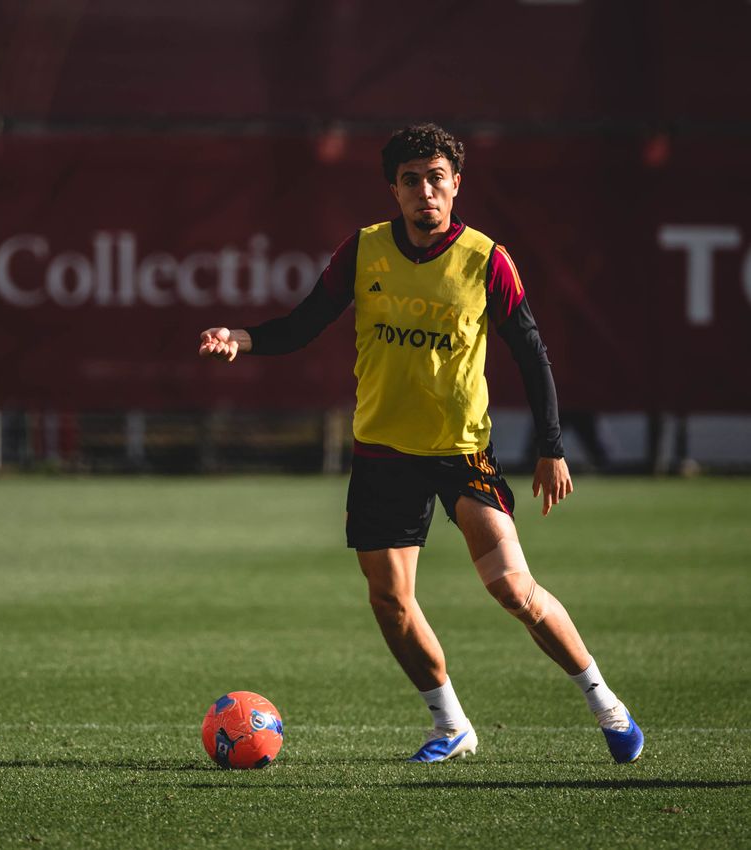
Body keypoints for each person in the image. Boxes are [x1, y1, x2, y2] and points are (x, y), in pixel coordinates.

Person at [197, 123, 643, 764]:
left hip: (463, 453)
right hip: (382, 453)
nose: (425, 191)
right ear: (394, 189)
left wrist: (552, 445)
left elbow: (530, 351)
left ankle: (606, 704)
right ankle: (451, 725)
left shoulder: (487, 259)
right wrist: (240, 337)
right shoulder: (365, 250)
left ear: (456, 186)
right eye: (411, 180)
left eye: (437, 178)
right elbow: (301, 325)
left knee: (513, 589)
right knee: (389, 599)